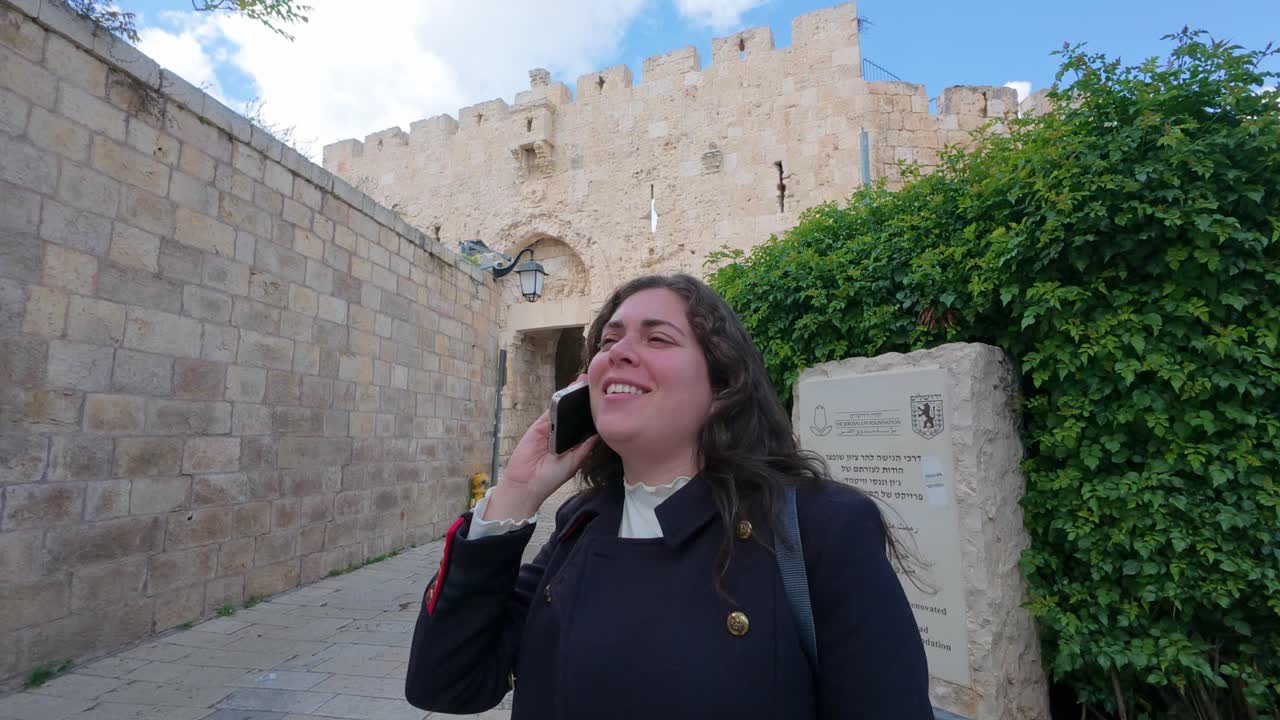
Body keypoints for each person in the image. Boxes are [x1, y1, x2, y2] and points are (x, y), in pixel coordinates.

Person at [405, 273, 931, 719]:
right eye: (608, 342)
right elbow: (447, 682)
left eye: (658, 339)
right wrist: (516, 495)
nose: (619, 354)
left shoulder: (821, 527)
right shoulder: (580, 522)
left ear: (722, 384)